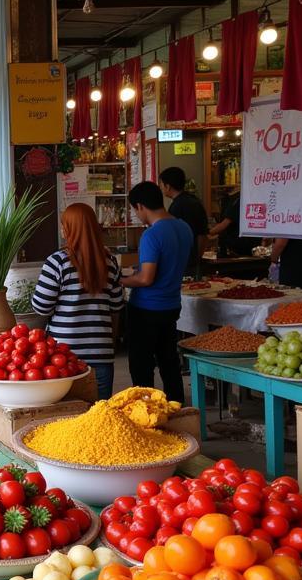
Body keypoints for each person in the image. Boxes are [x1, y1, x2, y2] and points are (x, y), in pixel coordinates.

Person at [31, 204, 124, 400]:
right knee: (101, 417)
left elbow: (41, 307)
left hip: (63, 356)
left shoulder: (57, 262)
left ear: (68, 229)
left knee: (68, 418)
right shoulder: (110, 261)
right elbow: (117, 307)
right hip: (101, 352)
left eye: (64, 225)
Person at [121, 181, 193, 403]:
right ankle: (176, 409)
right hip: (171, 306)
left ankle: (147, 412)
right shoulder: (184, 227)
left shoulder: (152, 235)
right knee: (169, 361)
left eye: (135, 210)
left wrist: (120, 280)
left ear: (141, 206)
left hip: (146, 309)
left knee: (141, 366)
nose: (137, 214)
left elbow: (145, 278)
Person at [159, 166, 208, 274]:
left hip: (183, 263)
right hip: (193, 260)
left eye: (161, 184)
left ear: (167, 186)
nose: (161, 188)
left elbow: (172, 238)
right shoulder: (194, 201)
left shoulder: (176, 207)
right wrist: (197, 257)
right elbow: (203, 234)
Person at [208, 191, 259, 258]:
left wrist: (207, 233)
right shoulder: (250, 196)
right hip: (252, 246)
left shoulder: (236, 200)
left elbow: (224, 224)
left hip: (238, 247)